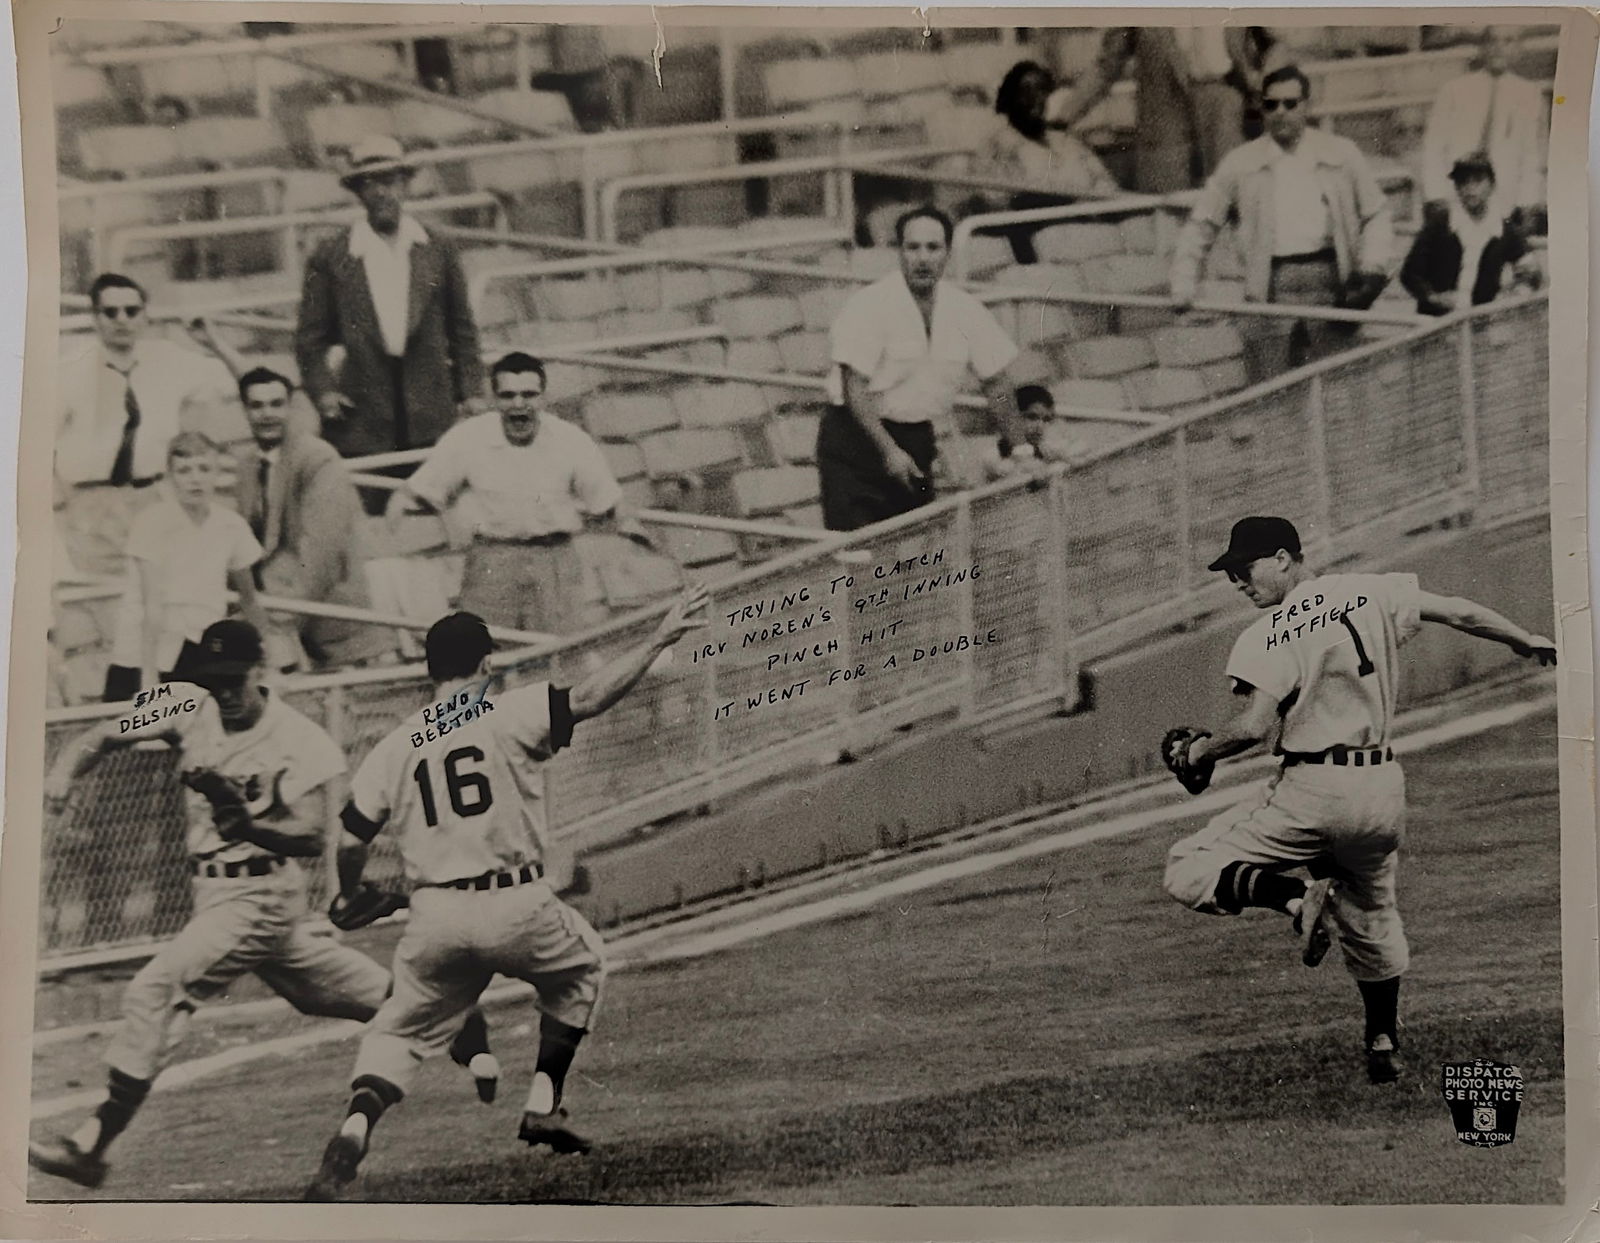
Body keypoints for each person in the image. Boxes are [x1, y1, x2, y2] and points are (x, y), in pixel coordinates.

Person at [30, 618, 503, 1191]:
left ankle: (91, 1146)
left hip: (260, 893)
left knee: (155, 990)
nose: (224, 692)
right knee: (319, 990)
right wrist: (61, 774)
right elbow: (101, 734)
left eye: (234, 678)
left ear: (261, 671)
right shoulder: (183, 702)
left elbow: (311, 838)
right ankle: (447, 1013)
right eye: (215, 679)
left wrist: (248, 825)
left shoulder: (300, 741)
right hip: (216, 896)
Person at [303, 587, 710, 1201]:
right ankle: (544, 1101)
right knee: (582, 968)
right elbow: (593, 697)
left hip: (434, 914)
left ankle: (355, 1129)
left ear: (429, 673)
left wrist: (351, 891)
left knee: (398, 1032)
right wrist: (658, 638)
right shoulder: (507, 710)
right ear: (487, 665)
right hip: (514, 902)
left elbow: (352, 834)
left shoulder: (394, 744)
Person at [1159, 516, 1556, 1085]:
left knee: (1187, 867)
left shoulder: (1269, 632)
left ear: (1281, 558)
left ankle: (1296, 900)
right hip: (1381, 791)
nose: (1238, 583)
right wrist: (1522, 637)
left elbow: (1252, 727)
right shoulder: (1370, 590)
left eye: (1243, 569)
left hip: (1315, 791)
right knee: (1372, 913)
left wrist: (1198, 755)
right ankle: (1383, 1038)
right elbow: (1460, 612)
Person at [386, 352, 645, 636]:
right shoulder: (468, 438)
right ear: (494, 399)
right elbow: (416, 490)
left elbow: (608, 500)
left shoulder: (571, 440)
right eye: (508, 395)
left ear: (543, 398)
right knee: (483, 651)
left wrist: (632, 527)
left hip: (554, 559)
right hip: (492, 561)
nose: (518, 405)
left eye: (529, 395)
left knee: (560, 652)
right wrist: (393, 521)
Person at [1169, 66, 1393, 383]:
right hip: (1271, 286)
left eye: (1291, 104)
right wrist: (1183, 284)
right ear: (1261, 108)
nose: (1281, 113)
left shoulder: (1340, 153)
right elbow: (1201, 224)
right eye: (1271, 105)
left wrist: (1372, 267)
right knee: (1273, 389)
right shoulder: (1241, 162)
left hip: (1331, 281)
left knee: (1339, 387)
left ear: (1307, 106)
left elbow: (1376, 212)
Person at [819, 206, 1034, 532]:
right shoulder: (869, 305)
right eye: (913, 247)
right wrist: (889, 451)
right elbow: (854, 388)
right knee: (860, 557)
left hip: (916, 439)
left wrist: (1021, 451)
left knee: (913, 554)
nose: (923, 258)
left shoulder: (966, 310)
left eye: (933, 248)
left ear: (948, 252)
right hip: (856, 440)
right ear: (899, 252)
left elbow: (997, 383)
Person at [294, 134, 485, 471]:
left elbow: (463, 331)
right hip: (363, 413)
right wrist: (324, 393)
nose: (381, 191)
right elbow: (309, 340)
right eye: (369, 183)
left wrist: (470, 391)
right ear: (358, 192)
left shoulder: (438, 248)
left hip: (430, 408)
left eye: (389, 180)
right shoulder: (332, 256)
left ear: (406, 185)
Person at [56, 273, 241, 578]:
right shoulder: (69, 369)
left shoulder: (168, 359)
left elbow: (246, 384)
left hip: (154, 495)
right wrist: (63, 503)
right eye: (110, 312)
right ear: (95, 317)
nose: (121, 320)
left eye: (131, 311)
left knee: (162, 593)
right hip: (92, 504)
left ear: (145, 316)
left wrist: (214, 342)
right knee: (107, 599)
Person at [232, 366, 395, 670]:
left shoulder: (317, 458)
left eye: (276, 404)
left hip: (336, 618)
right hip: (282, 613)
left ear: (290, 407)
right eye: (257, 406)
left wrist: (285, 615)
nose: (267, 414)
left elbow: (321, 550)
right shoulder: (246, 466)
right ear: (244, 410)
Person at [103, 432, 272, 703]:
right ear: (170, 477)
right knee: (132, 738)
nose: (195, 479)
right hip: (141, 655)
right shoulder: (152, 522)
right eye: (184, 471)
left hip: (198, 651)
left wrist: (269, 664)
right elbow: (152, 608)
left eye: (204, 469)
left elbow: (250, 600)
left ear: (217, 472)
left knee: (205, 734)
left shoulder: (231, 525)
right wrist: (149, 680)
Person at [1044, 27, 1276, 192]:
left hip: (1227, 119)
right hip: (1167, 136)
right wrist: (1062, 116)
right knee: (1172, 230)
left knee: (1233, 216)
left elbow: (1275, 46)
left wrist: (1261, 84)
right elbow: (1106, 67)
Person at [1421, 27, 1547, 227]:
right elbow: (1433, 146)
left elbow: (1532, 154)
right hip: (1455, 195)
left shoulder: (1530, 95)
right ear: (1481, 48)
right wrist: (1436, 195)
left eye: (1508, 41)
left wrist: (1527, 202)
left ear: (1519, 49)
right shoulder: (1454, 90)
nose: (1498, 48)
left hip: (1504, 202)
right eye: (1492, 41)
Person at [1399, 153, 1537, 316]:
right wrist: (1432, 297)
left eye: (1478, 181)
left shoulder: (1503, 229)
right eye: (1463, 182)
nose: (1470, 189)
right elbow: (1410, 273)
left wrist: (1517, 293)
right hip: (1437, 321)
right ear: (1456, 188)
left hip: (1480, 321)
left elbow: (1530, 269)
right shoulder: (1440, 223)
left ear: (1492, 186)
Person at [982, 384, 1059, 481]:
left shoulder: (1046, 450)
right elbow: (998, 397)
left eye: (1046, 420)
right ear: (1014, 418)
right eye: (1032, 417)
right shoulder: (993, 456)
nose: (1040, 426)